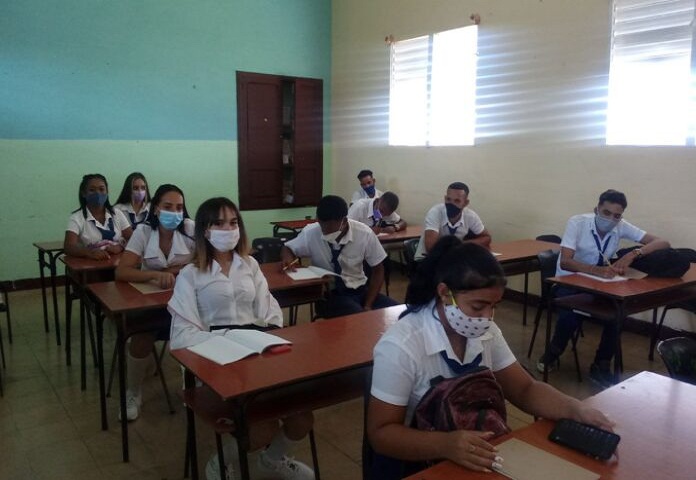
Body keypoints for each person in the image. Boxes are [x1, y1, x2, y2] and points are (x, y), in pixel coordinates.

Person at [366, 237, 614, 478]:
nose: (487, 317)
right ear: (444, 293)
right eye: (477, 306)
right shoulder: (401, 346)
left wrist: (575, 409)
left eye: (494, 306)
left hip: (473, 454)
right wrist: (445, 444)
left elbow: (524, 389)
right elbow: (382, 434)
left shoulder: (485, 332)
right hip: (419, 462)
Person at [168, 197, 314, 480]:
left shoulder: (250, 265)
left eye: (234, 222)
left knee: (302, 418)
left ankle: (271, 461)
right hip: (213, 361)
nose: (229, 229)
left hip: (257, 356)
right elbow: (182, 336)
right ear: (205, 230)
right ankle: (219, 462)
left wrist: (262, 337)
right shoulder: (190, 274)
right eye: (220, 223)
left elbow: (271, 314)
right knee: (262, 428)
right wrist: (230, 337)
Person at [537, 189, 670, 386]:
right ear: (597, 209)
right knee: (570, 314)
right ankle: (554, 351)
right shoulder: (578, 222)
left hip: (600, 285)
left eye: (616, 215)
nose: (610, 219)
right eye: (606, 213)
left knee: (617, 314)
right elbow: (565, 262)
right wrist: (596, 270)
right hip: (568, 281)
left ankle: (601, 364)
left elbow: (662, 242)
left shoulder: (620, 226)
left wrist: (634, 254)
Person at [115, 184, 194, 421]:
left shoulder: (190, 229)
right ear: (156, 209)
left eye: (179, 207)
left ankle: (192, 387)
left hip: (186, 302)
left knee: (197, 333)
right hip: (152, 303)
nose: (175, 212)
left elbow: (205, 262)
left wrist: (176, 269)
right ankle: (133, 392)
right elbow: (122, 272)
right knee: (141, 336)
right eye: (168, 207)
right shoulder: (144, 231)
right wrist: (152, 274)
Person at [281, 195, 399, 318]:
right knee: (359, 318)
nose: (325, 231)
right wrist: (288, 258)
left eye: (329, 228)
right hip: (330, 296)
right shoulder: (311, 232)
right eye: (322, 226)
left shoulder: (364, 233)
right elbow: (287, 248)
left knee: (400, 313)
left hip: (361, 291)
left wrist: (368, 305)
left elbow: (378, 270)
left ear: (344, 221)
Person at [414, 182, 491, 260]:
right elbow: (431, 248)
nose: (451, 204)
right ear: (445, 198)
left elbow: (486, 237)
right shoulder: (435, 212)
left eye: (457, 201)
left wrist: (462, 245)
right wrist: (458, 247)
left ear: (465, 203)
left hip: (454, 258)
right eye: (448, 199)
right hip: (427, 259)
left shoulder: (470, 216)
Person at [64, 173, 132, 259]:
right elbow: (69, 247)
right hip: (91, 267)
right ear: (83, 193)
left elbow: (132, 239)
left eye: (101, 189)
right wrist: (89, 253)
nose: (97, 193)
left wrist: (121, 247)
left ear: (107, 192)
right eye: (92, 190)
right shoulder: (76, 218)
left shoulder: (116, 213)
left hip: (117, 264)